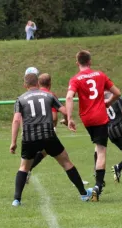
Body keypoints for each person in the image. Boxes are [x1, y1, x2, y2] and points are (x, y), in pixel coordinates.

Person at [9, 73, 92, 206]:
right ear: (37, 83)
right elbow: (64, 110)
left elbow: (16, 120)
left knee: (24, 167)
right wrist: (68, 120)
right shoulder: (49, 95)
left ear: (25, 85)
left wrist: (13, 142)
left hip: (29, 137)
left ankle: (16, 200)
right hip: (48, 135)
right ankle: (83, 194)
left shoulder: (20, 99)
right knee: (66, 162)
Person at [66, 50, 122, 201]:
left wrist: (70, 118)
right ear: (90, 62)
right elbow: (117, 93)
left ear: (77, 62)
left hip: (87, 119)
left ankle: (98, 179)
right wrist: (108, 102)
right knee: (102, 150)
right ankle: (98, 185)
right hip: (100, 117)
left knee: (97, 146)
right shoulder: (100, 75)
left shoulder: (75, 79)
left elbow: (69, 97)